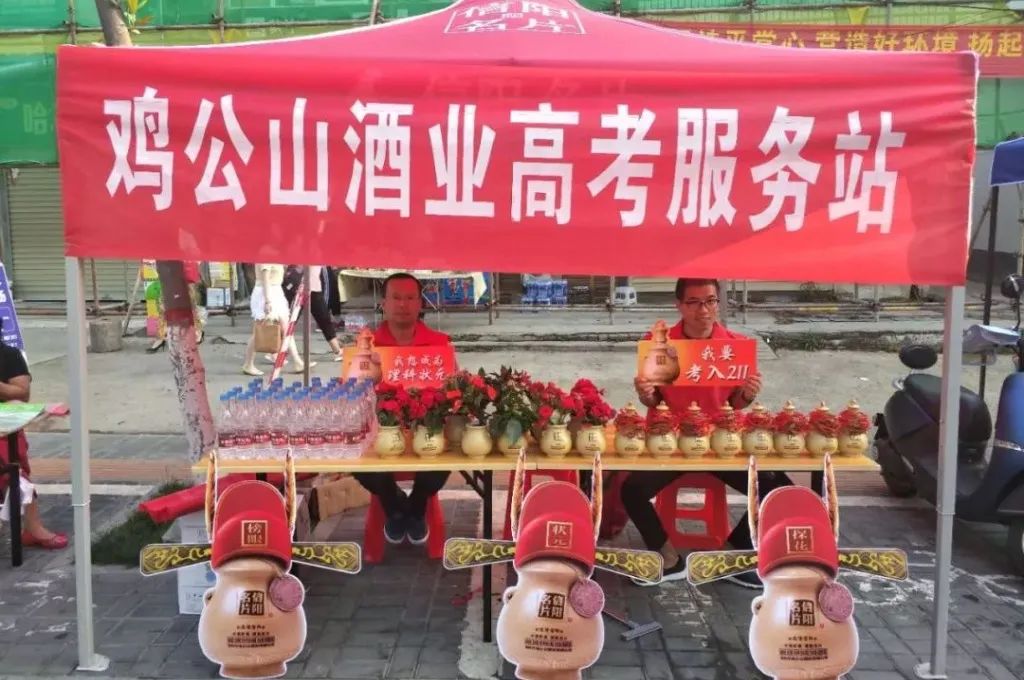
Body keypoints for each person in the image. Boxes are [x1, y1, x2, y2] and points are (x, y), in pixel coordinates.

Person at [622, 278, 792, 589]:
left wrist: (747, 394)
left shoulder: (734, 346)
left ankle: (729, 556)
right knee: (631, 489)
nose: (704, 310)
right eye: (694, 302)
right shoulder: (659, 344)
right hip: (671, 443)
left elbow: (735, 404)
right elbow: (654, 400)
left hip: (719, 443)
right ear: (679, 305)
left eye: (711, 301)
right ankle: (669, 559)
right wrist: (646, 394)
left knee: (778, 489)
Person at [353, 273, 452, 547]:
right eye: (396, 297)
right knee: (358, 455)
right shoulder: (366, 346)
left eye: (410, 298)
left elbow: (452, 391)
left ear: (420, 303)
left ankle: (417, 504)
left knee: (442, 449)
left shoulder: (439, 344)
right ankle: (393, 504)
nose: (403, 304)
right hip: (380, 431)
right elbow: (350, 392)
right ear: (383, 303)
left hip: (425, 429)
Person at [0, 333, 67, 549]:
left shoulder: (8, 355)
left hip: (5, 427)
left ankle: (32, 527)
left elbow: (22, 393)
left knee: (12, 465)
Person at [242, 263, 312, 376]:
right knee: (261, 330)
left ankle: (297, 361)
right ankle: (248, 364)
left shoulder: (274, 255)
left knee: (286, 328)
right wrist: (267, 301)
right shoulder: (266, 255)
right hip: (266, 293)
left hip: (274, 291)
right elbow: (265, 278)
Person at [282, 266, 343, 361]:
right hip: (301, 288)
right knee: (291, 321)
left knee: (324, 319)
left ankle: (337, 350)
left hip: (314, 288)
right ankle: (277, 351)